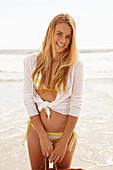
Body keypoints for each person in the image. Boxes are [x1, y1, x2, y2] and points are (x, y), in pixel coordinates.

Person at [23, 13, 85, 169]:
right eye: (59, 34)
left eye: (68, 37)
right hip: (37, 132)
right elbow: (28, 100)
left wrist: (64, 141)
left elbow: (76, 104)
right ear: (50, 30)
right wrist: (42, 137)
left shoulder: (76, 65)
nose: (63, 41)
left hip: (63, 134)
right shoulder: (30, 61)